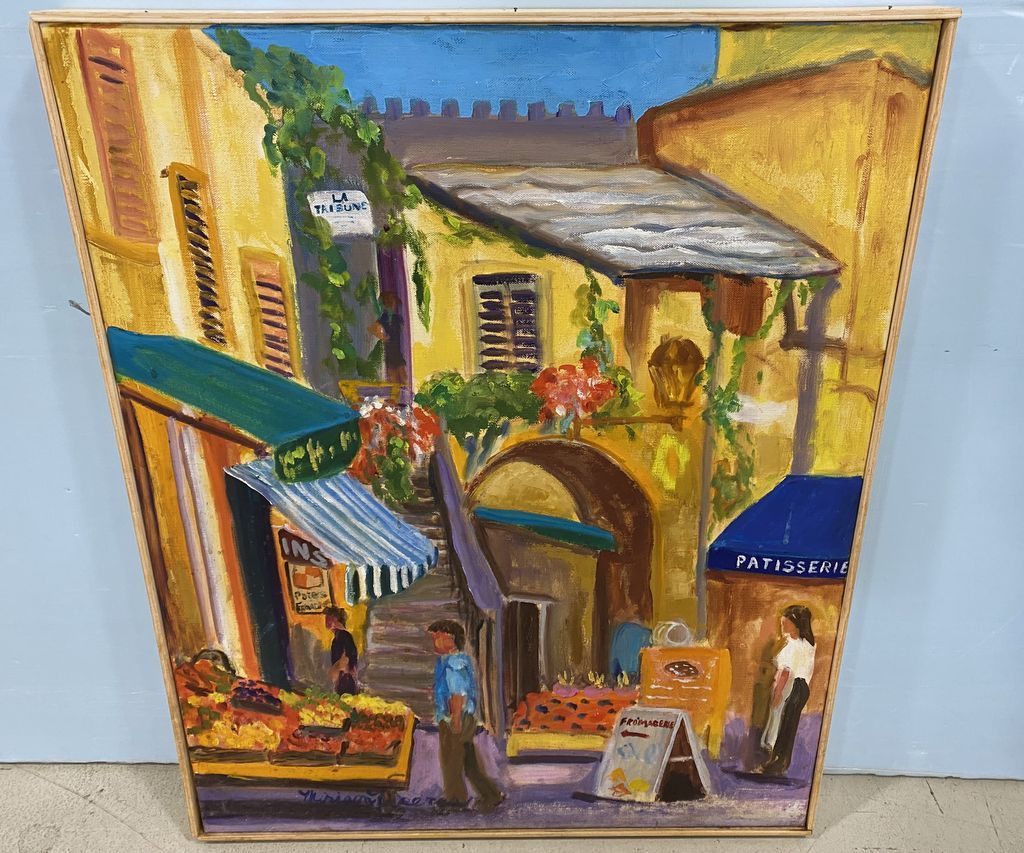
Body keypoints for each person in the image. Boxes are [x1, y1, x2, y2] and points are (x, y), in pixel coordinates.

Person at [427, 619, 503, 813]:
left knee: (451, 759)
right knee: (469, 761)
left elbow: (458, 694)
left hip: (455, 716)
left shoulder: (454, 663)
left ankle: (456, 799)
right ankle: (491, 794)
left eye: (438, 637)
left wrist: (455, 719)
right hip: (460, 716)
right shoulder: (448, 660)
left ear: (450, 639)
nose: (434, 642)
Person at [760, 605, 816, 776]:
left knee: (784, 725)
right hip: (802, 688)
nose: (782, 624)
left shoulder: (793, 645)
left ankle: (777, 763)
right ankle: (780, 762)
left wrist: (778, 693)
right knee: (789, 726)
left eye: (786, 622)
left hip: (793, 686)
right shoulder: (808, 643)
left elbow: (786, 672)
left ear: (795, 624)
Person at [325, 607, 359, 696]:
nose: (326, 621)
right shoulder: (337, 638)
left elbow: (346, 660)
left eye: (329, 618)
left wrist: (334, 672)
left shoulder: (344, 636)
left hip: (345, 678)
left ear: (336, 620)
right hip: (341, 678)